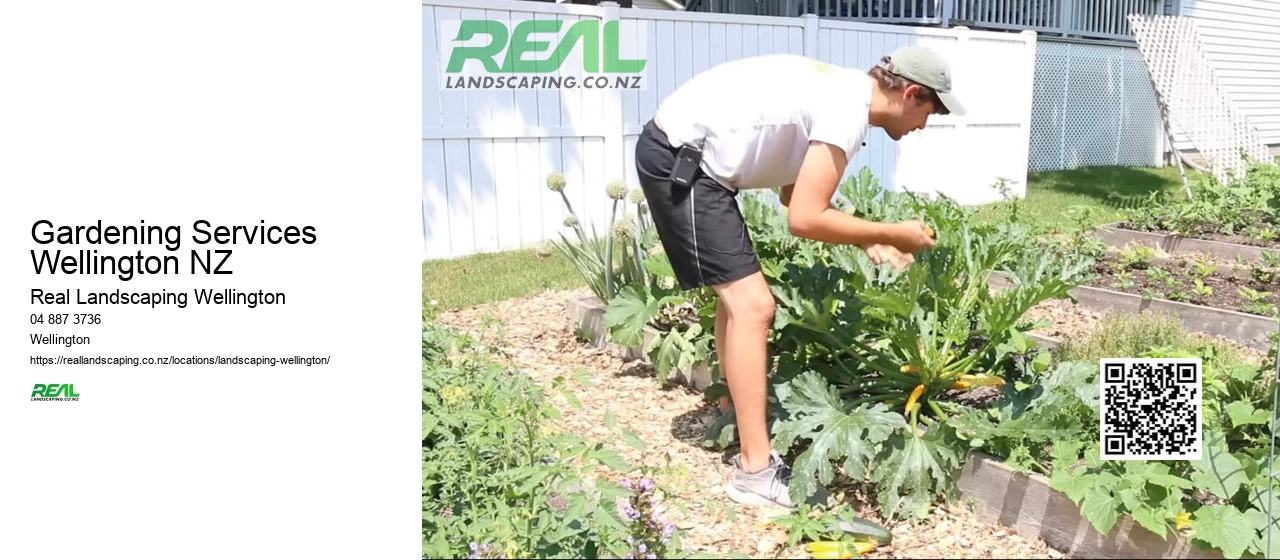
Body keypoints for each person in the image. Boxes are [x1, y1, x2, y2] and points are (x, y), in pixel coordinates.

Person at [633, 45, 964, 509]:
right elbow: (805, 218)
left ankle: (735, 414)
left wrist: (864, 237)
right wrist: (890, 230)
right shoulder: (847, 110)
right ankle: (755, 471)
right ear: (911, 94)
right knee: (753, 305)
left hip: (694, 158)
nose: (924, 125)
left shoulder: (843, 93)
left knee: (739, 300)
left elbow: (795, 194)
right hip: (683, 162)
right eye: (931, 111)